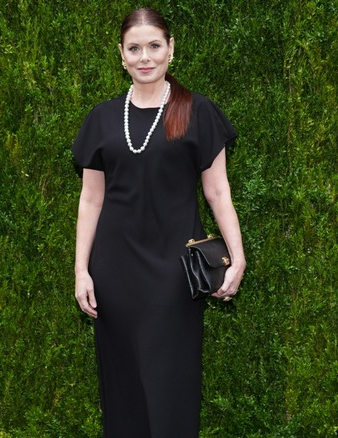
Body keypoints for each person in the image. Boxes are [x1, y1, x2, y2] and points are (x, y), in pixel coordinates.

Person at [72, 7, 245, 437]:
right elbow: (91, 199)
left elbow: (218, 191)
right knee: (123, 386)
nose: (144, 57)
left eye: (154, 46)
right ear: (121, 54)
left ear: (171, 49)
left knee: (171, 386)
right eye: (135, 48)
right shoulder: (102, 119)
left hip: (175, 273)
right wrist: (81, 271)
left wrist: (237, 257)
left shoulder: (197, 112)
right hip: (114, 271)